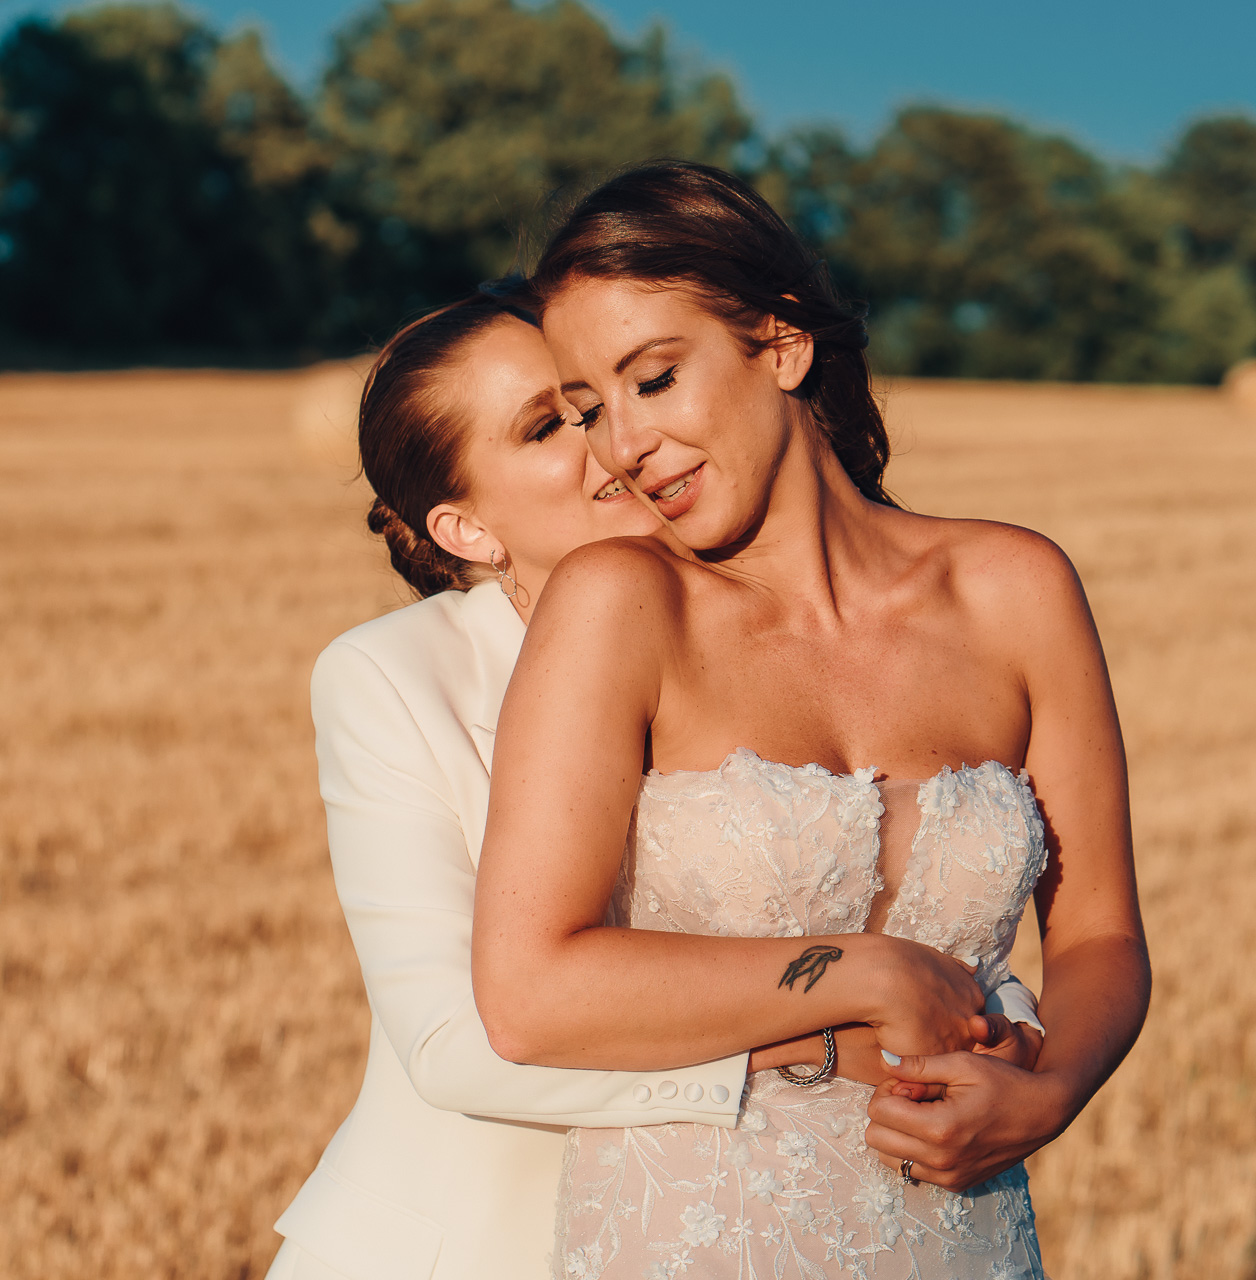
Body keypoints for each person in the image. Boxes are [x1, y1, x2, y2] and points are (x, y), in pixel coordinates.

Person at [271, 287, 1046, 1280]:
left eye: (591, 403)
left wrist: (1001, 1018)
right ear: (466, 529)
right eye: (548, 428)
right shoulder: (392, 674)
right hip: (476, 1247)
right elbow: (457, 1039)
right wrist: (815, 1041)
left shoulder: (757, 620)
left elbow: (881, 879)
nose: (614, 444)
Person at [471, 163, 1151, 1279]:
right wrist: (863, 969)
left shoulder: (1016, 587)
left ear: (781, 344)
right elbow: (529, 990)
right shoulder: (620, 605)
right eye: (590, 409)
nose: (621, 447)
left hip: (964, 1223)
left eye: (654, 378)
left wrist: (1050, 1091)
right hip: (698, 1229)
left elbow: (1101, 938)